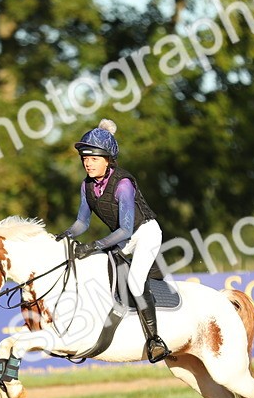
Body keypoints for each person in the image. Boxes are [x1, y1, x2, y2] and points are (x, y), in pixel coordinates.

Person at [56, 119, 171, 363]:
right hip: (122, 236)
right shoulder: (86, 186)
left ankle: (155, 340)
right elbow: (82, 223)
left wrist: (94, 245)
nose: (88, 163)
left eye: (94, 158)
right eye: (85, 159)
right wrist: (63, 236)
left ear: (108, 160)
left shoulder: (123, 184)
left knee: (136, 283)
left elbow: (126, 229)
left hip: (144, 233)